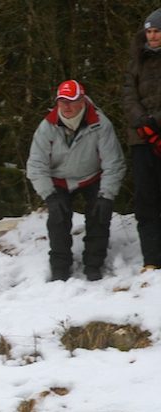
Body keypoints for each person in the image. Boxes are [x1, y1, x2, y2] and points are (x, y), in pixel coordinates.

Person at [26, 81, 125, 282]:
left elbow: (114, 163)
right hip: (59, 180)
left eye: (71, 101)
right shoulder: (47, 126)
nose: (66, 107)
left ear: (82, 101)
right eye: (62, 101)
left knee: (99, 214)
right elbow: (36, 165)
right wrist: (50, 196)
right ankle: (60, 267)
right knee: (58, 219)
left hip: (92, 176)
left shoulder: (100, 124)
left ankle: (94, 264)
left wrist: (107, 195)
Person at [123, 8, 161, 272]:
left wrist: (156, 122)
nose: (152, 36)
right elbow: (127, 95)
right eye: (149, 31)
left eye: (157, 30)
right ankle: (151, 259)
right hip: (141, 141)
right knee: (146, 200)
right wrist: (143, 123)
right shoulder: (136, 61)